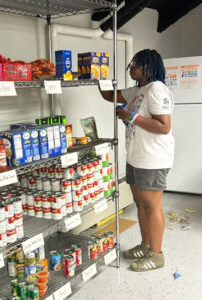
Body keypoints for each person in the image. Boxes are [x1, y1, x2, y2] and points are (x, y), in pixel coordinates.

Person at [100, 49, 175, 272]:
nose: (131, 68)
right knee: (141, 204)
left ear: (148, 67)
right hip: (136, 157)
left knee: (152, 206)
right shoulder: (137, 90)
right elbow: (108, 95)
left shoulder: (156, 89)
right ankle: (146, 245)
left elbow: (164, 127)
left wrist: (130, 116)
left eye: (135, 64)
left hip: (153, 159)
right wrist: (96, 73)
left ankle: (157, 254)